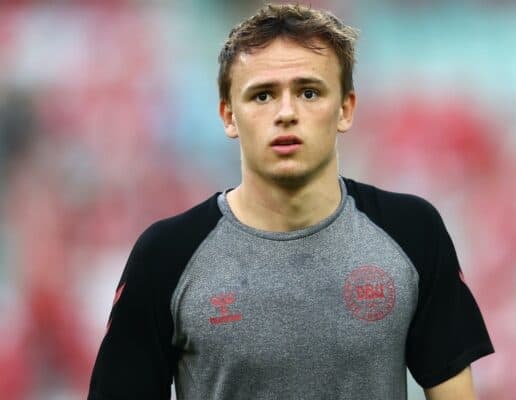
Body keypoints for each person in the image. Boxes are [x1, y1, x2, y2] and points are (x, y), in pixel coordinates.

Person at [87, 4, 494, 399]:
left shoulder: (412, 232)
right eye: (263, 96)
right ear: (228, 115)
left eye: (309, 92)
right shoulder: (166, 255)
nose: (286, 112)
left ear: (345, 109)